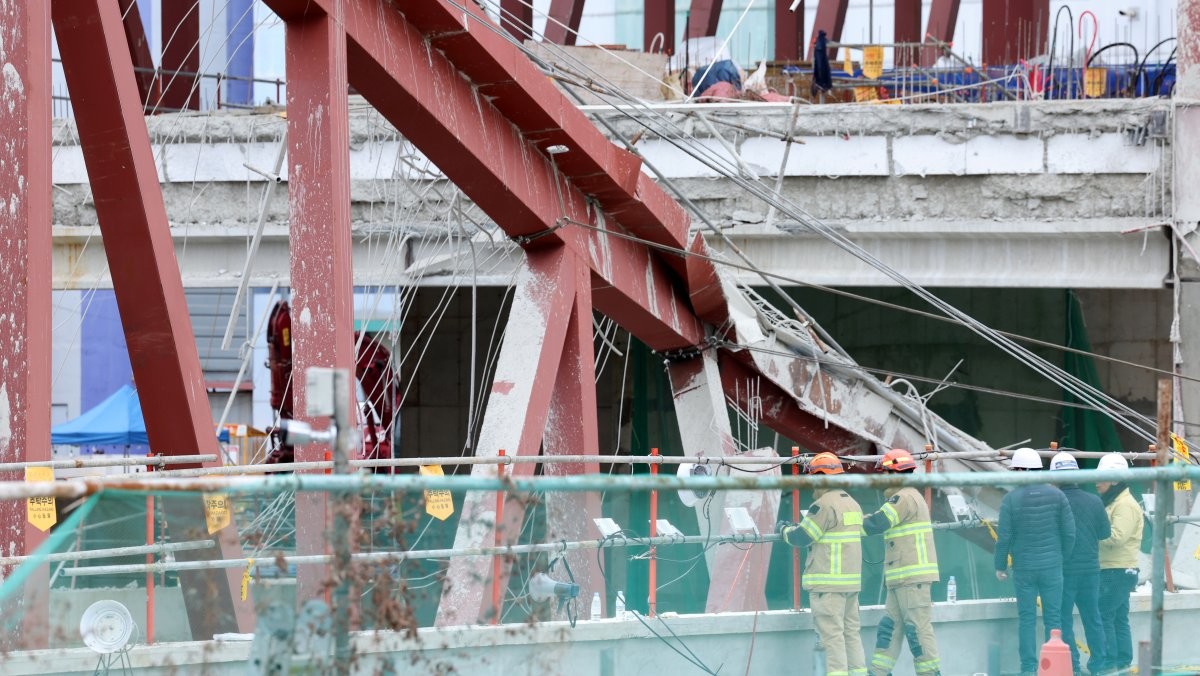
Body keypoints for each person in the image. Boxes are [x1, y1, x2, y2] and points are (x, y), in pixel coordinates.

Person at [778, 452, 868, 676]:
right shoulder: (853, 504)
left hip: (828, 587)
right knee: (851, 635)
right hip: (850, 585)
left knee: (832, 639)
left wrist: (783, 530)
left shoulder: (823, 505)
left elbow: (802, 537)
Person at [994, 447, 1076, 676]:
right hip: (1052, 567)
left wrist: (1000, 566)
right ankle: (1055, 667)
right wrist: (1061, 558)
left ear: (1022, 470)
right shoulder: (1058, 496)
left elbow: (1004, 537)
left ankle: (1028, 668)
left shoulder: (1010, 499)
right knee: (1053, 617)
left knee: (1027, 619)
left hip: (1024, 569)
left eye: (1014, 470)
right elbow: (1070, 533)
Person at [863, 448, 941, 676]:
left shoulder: (904, 497)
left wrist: (844, 523)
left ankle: (930, 673)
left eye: (885, 473)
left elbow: (877, 522)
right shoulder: (906, 496)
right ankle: (879, 671)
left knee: (917, 630)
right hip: (901, 579)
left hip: (911, 578)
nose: (882, 479)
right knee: (890, 629)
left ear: (894, 473)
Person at [1049, 451, 1111, 676]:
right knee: (1092, 618)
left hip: (1064, 571)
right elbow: (1105, 533)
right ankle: (1098, 667)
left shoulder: (1054, 502)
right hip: (1091, 571)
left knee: (1064, 620)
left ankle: (1072, 665)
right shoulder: (1094, 501)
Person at [1095, 453, 1143, 673]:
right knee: (1117, 618)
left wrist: (1089, 536)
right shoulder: (1116, 502)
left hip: (1116, 570)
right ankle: (1123, 662)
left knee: (1104, 615)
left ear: (1115, 480)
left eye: (1101, 478)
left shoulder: (1124, 505)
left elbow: (1116, 538)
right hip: (1119, 570)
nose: (1096, 482)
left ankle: (1109, 665)